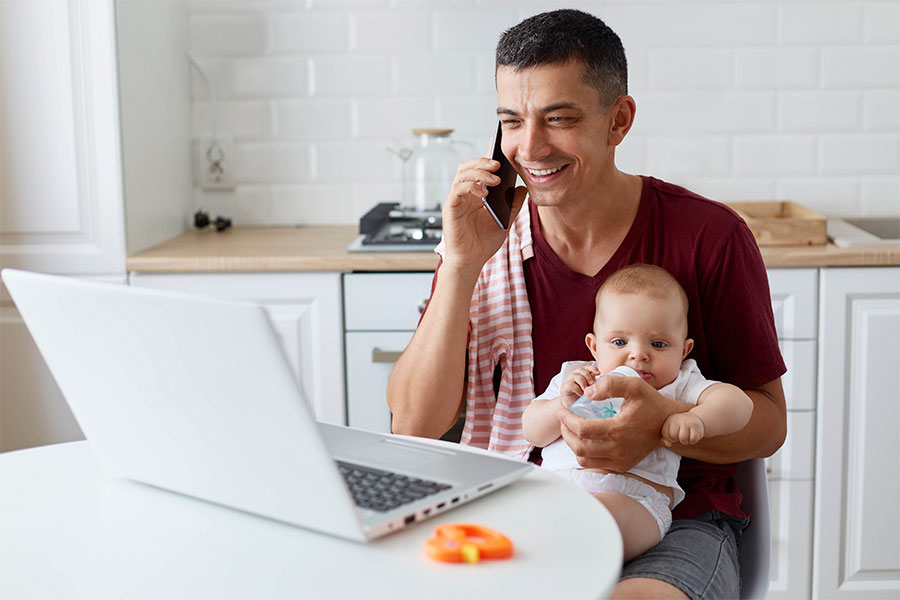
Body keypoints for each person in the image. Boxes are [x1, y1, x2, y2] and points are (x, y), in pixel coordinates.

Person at [387, 8, 786, 599]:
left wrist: (662, 430)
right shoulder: (484, 238)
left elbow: (769, 424)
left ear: (618, 120)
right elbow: (415, 425)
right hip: (528, 501)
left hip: (676, 519)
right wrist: (462, 265)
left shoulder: (709, 236)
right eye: (511, 121)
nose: (530, 147)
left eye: (559, 119)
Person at [522, 264, 753, 562]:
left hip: (637, 502)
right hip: (557, 492)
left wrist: (697, 418)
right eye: (619, 342)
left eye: (658, 344)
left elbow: (739, 405)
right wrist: (561, 404)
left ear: (684, 351)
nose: (638, 355)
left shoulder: (678, 383)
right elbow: (532, 430)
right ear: (594, 346)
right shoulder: (576, 376)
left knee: (600, 523)